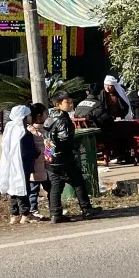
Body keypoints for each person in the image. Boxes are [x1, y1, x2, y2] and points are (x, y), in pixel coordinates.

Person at [44, 92, 101, 224]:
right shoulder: (63, 120)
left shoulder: (49, 117)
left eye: (71, 102)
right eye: (67, 102)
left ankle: (55, 213)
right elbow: (64, 139)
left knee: (56, 186)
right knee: (78, 181)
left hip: (50, 156)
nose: (70, 104)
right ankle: (86, 209)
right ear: (57, 104)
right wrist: (72, 147)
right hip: (63, 157)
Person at [0, 105, 39, 224]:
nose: (31, 117)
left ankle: (14, 214)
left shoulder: (10, 129)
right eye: (29, 115)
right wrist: (38, 152)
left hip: (11, 164)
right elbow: (29, 151)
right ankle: (25, 214)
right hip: (22, 165)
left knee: (13, 189)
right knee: (22, 189)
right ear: (24, 117)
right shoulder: (24, 132)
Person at [27, 103, 51, 221]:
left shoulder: (42, 129)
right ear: (39, 116)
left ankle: (52, 208)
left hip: (43, 166)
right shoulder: (33, 131)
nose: (48, 115)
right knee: (35, 190)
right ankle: (34, 210)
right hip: (38, 166)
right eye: (46, 113)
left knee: (41, 189)